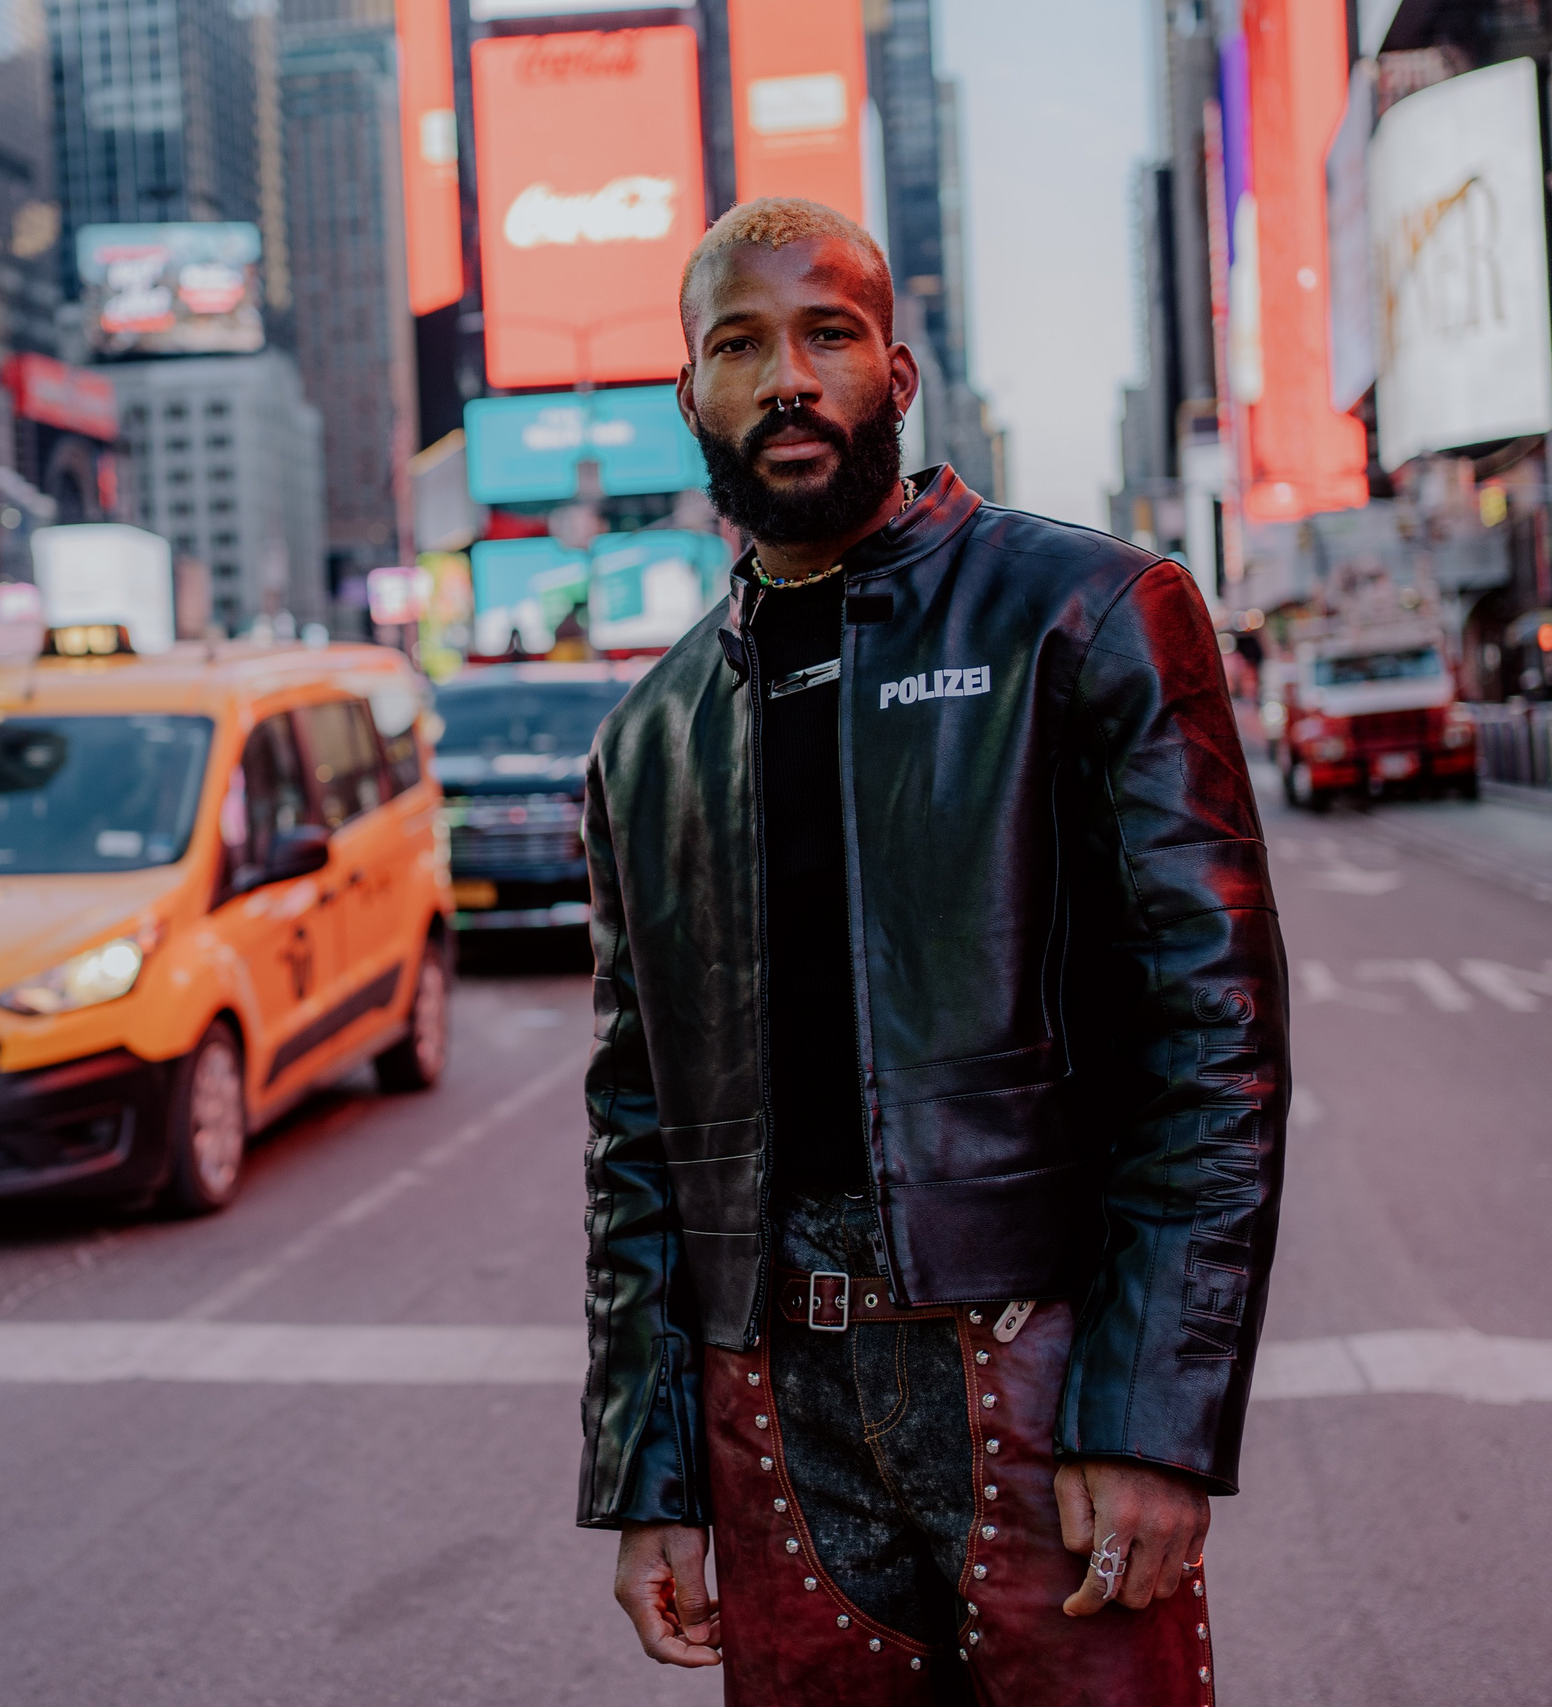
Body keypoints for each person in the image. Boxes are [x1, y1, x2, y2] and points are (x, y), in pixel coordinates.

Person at [579, 199, 1290, 1705]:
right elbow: (636, 1134)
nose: (788, 377)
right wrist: (646, 1473)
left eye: (828, 333)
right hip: (770, 1402)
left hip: (1031, 1375)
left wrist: (1155, 1416)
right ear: (688, 397)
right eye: (741, 345)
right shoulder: (649, 741)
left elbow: (1214, 1045)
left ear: (896, 378)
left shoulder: (1087, 614)